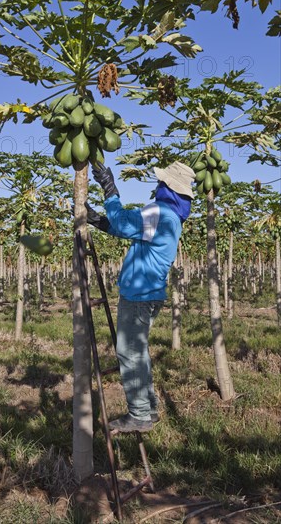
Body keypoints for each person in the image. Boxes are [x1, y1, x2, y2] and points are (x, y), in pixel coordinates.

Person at [87, 161, 195, 433]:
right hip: (151, 294)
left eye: (161, 183)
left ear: (168, 187)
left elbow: (124, 223)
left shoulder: (159, 212)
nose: (157, 186)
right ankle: (150, 407)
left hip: (137, 296)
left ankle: (139, 414)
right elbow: (128, 229)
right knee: (139, 352)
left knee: (130, 352)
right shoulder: (171, 217)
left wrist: (109, 189)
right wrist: (99, 221)